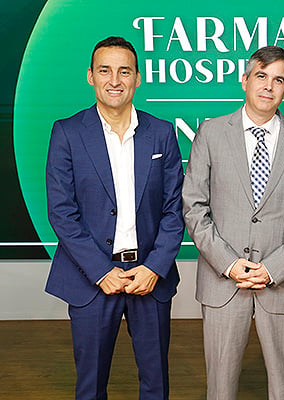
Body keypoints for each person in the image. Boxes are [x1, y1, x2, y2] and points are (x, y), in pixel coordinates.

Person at [182, 45, 284, 400]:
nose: (268, 86)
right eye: (261, 76)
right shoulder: (211, 134)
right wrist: (229, 264)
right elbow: (193, 206)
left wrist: (276, 267)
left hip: (281, 282)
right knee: (220, 386)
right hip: (222, 282)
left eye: (279, 80)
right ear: (244, 80)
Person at [45, 36, 184, 400]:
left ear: (138, 77)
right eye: (105, 70)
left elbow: (175, 208)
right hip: (91, 279)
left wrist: (154, 267)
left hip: (148, 277)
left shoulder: (161, 133)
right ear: (90, 76)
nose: (115, 80)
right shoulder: (67, 132)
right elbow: (61, 212)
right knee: (89, 387)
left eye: (124, 71)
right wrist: (100, 271)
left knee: (156, 384)